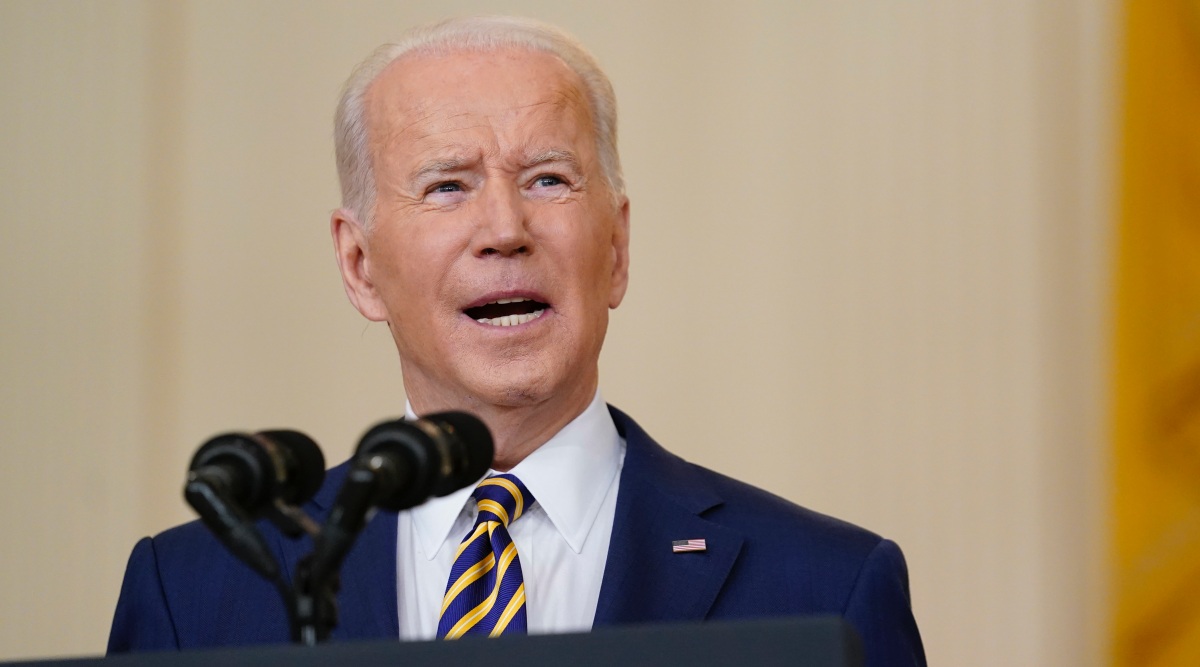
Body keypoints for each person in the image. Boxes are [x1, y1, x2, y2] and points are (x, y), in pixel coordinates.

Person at [108, 16, 925, 666]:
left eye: (548, 179)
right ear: (359, 266)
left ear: (616, 249)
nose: (504, 228)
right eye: (447, 185)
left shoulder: (825, 588)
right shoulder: (196, 594)